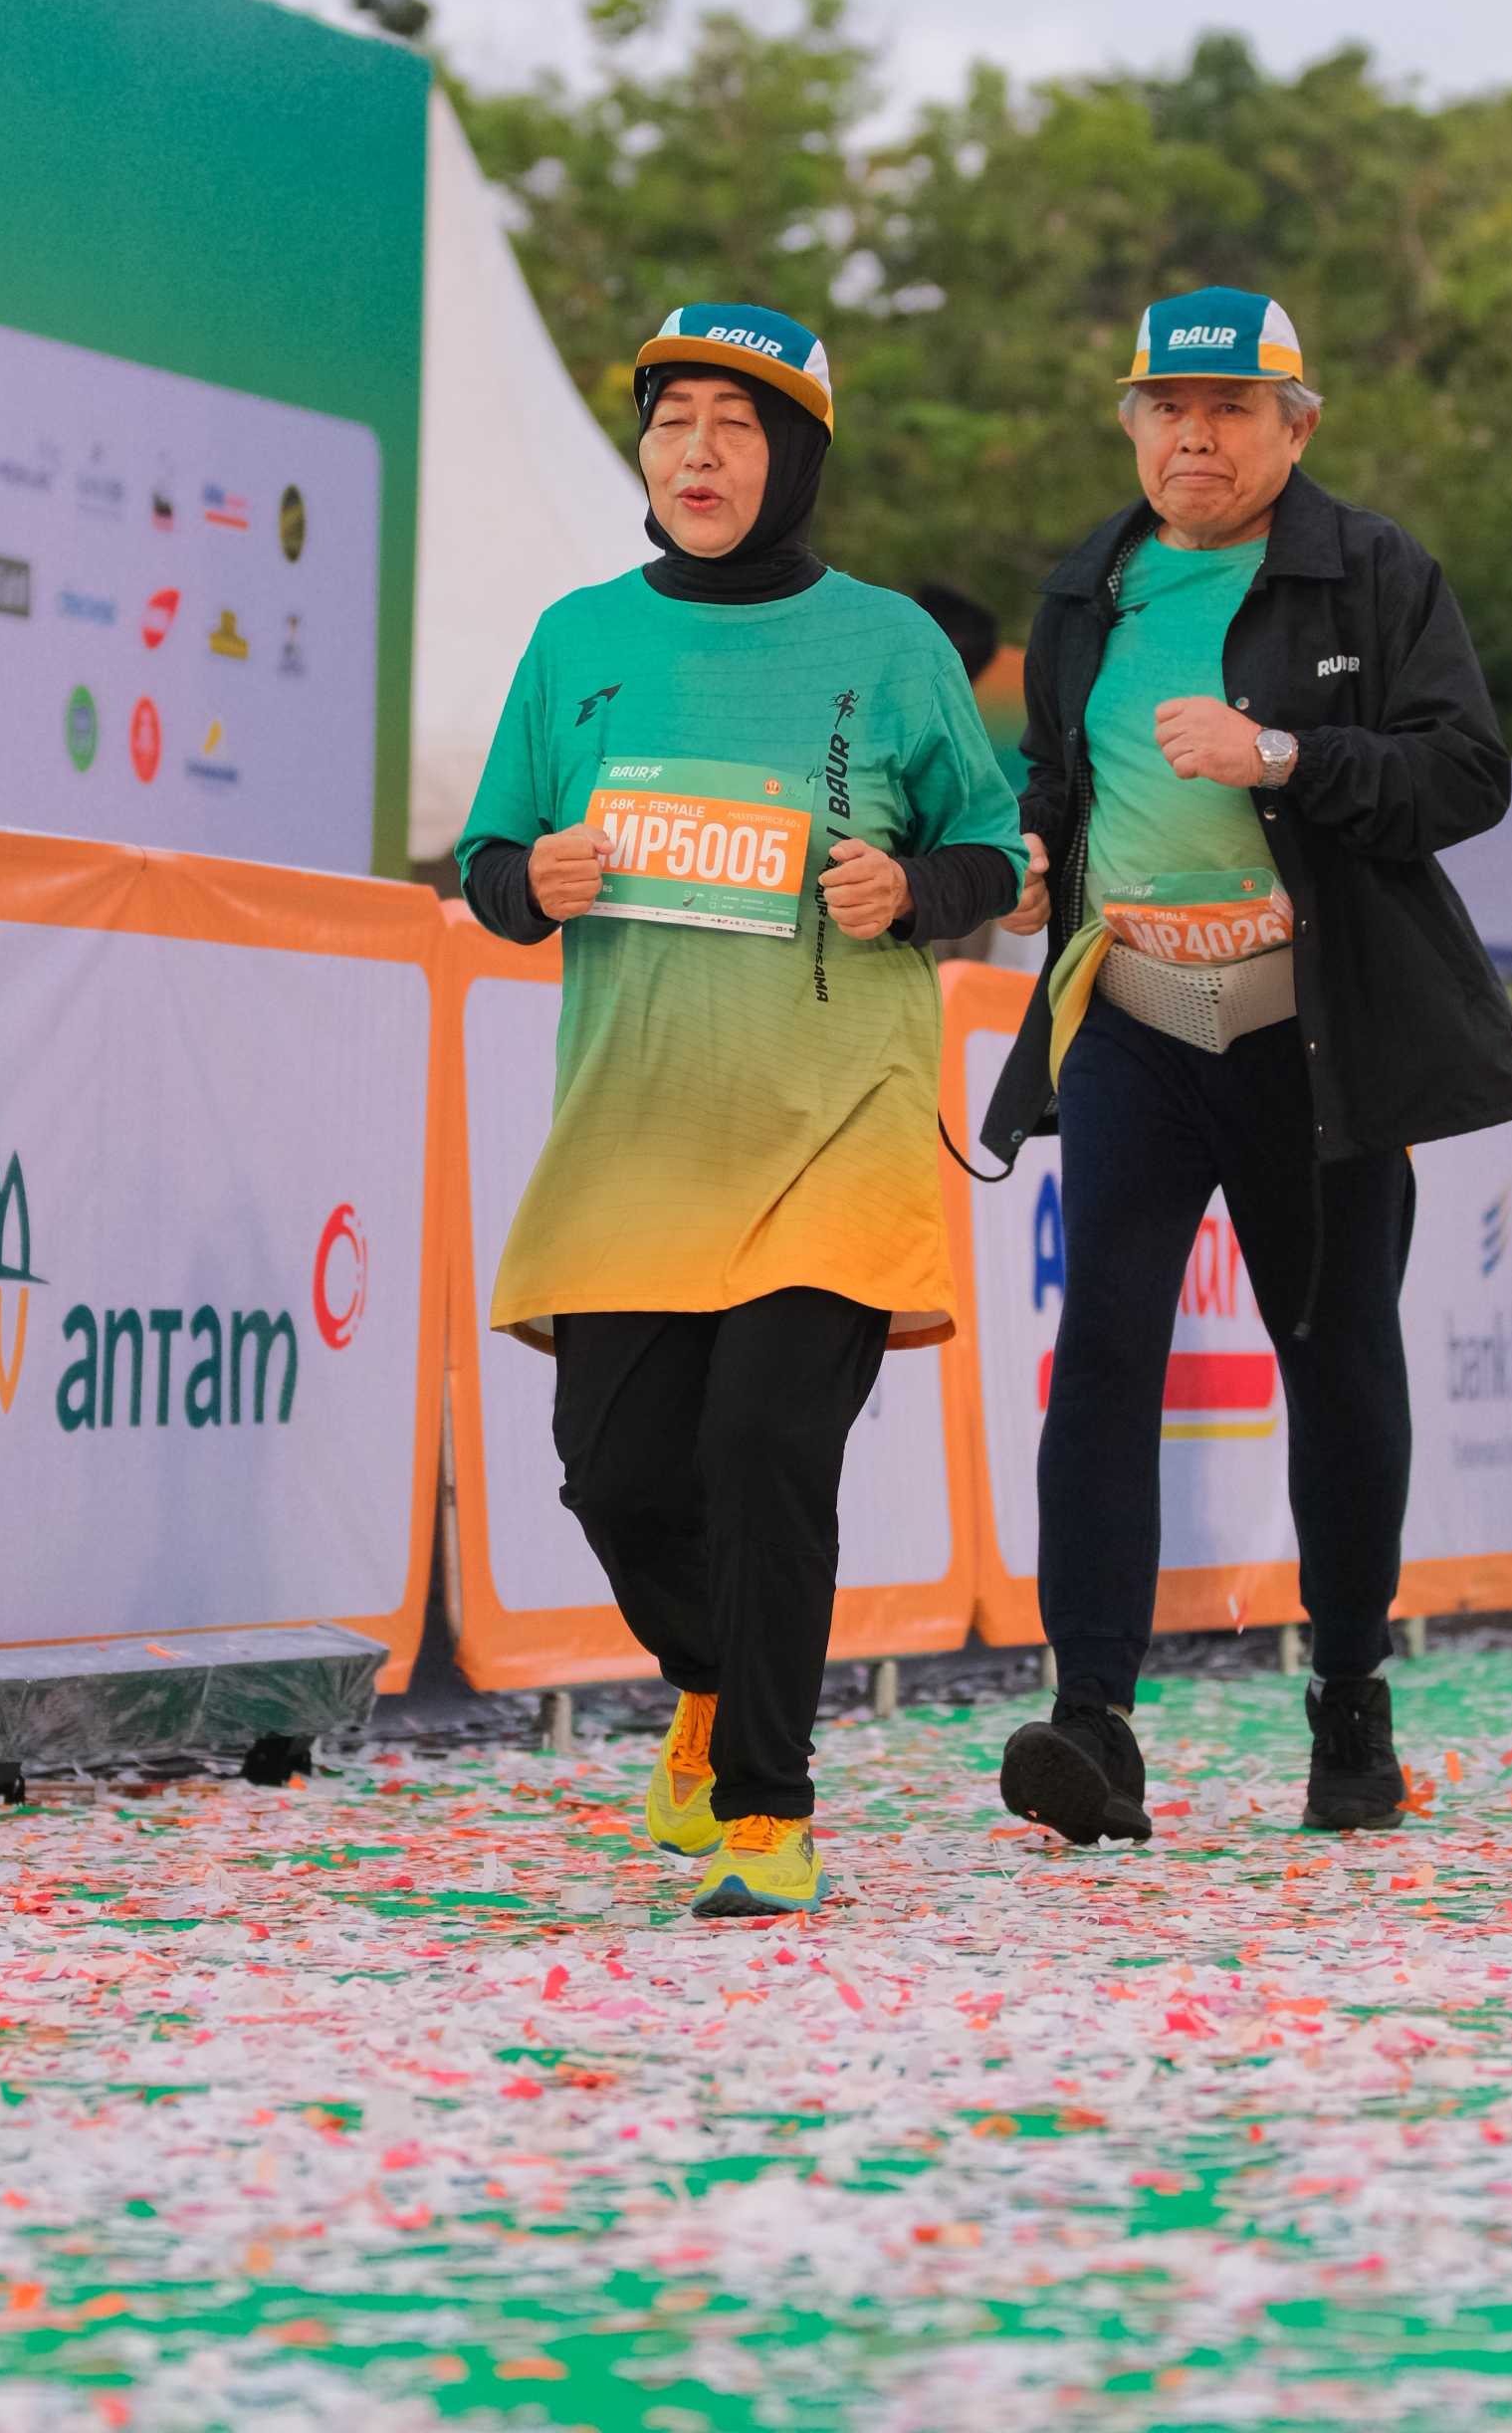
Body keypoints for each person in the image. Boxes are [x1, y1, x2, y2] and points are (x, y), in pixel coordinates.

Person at [459, 300, 1026, 1914]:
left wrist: (910, 888)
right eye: (672, 422)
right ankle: (710, 1686)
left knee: (768, 1445)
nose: (697, 455)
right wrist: (532, 878)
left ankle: (771, 1810)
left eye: (736, 425)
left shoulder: (893, 647)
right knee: (617, 1475)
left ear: (797, 457)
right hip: (635, 1137)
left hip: (835, 1122)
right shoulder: (576, 639)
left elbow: (997, 853)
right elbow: (490, 862)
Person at [979, 286, 1512, 1842]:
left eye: (1231, 409)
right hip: (1133, 1014)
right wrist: (1032, 853)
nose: (1196, 436)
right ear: (1130, 424)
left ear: (1298, 425)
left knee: (1337, 1357)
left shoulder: (1375, 568)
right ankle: (1093, 1722)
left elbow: (1467, 776)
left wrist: (1282, 755)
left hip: (1310, 1026)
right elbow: (1054, 775)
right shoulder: (1086, 585)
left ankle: (1350, 1701)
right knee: (1103, 1352)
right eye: (1167, 407)